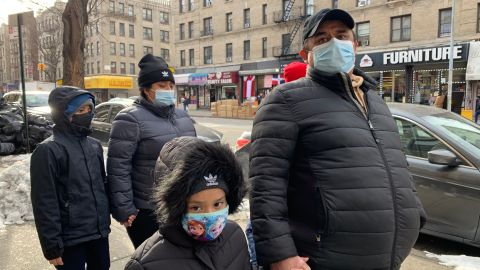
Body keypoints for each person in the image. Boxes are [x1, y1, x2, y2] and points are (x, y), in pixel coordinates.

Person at [249, 8, 426, 270]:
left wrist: (414, 215)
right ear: (305, 55)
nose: (333, 43)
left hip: (386, 256)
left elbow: (397, 165)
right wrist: (280, 255)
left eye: (341, 35)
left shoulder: (376, 101)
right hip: (325, 258)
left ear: (355, 44)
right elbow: (266, 187)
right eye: (321, 39)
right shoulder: (286, 100)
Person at [107, 54, 196, 249]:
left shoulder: (182, 115)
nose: (168, 90)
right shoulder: (129, 119)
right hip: (147, 210)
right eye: (162, 86)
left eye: (171, 86)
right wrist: (124, 208)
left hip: (181, 205)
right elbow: (118, 167)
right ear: (147, 90)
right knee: (152, 260)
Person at [125, 136, 251, 269]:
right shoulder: (145, 265)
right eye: (196, 207)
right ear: (175, 207)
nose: (210, 215)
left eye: (217, 204)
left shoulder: (235, 235)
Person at [30, 86, 110, 269]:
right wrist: (51, 245)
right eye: (80, 110)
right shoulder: (48, 150)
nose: (86, 114)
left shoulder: (94, 146)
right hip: (69, 240)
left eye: (89, 109)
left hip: (98, 234)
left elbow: (101, 186)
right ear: (63, 115)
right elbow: (44, 202)